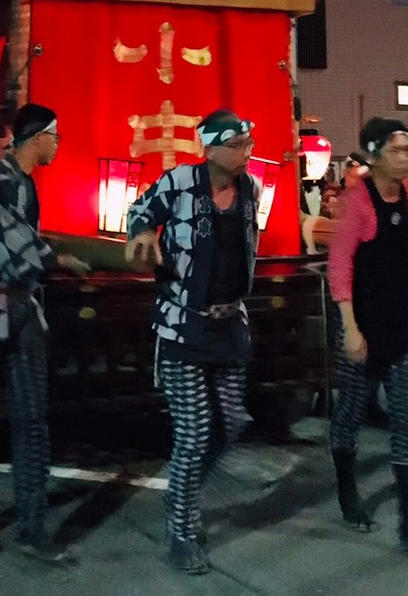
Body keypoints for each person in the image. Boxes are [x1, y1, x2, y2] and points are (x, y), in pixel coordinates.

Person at [0, 103, 89, 562]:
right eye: (55, 136)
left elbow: (22, 241)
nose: (58, 145)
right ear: (38, 137)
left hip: (21, 309)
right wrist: (57, 258)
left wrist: (53, 251)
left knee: (32, 419)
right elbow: (10, 242)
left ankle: (31, 525)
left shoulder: (22, 182)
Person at [126, 109, 261, 575]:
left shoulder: (250, 189)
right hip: (183, 326)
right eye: (237, 145)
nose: (246, 153)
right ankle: (180, 530)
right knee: (195, 432)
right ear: (211, 149)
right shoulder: (180, 182)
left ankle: (181, 493)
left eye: (248, 144)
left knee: (232, 422)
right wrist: (144, 232)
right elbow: (140, 210)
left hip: (229, 324)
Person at [327, 117, 408, 558]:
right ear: (373, 154)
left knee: (406, 418)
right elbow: (339, 267)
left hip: (402, 320)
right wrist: (350, 329)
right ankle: (347, 489)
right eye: (397, 150)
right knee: (350, 411)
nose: (407, 157)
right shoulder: (356, 202)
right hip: (363, 322)